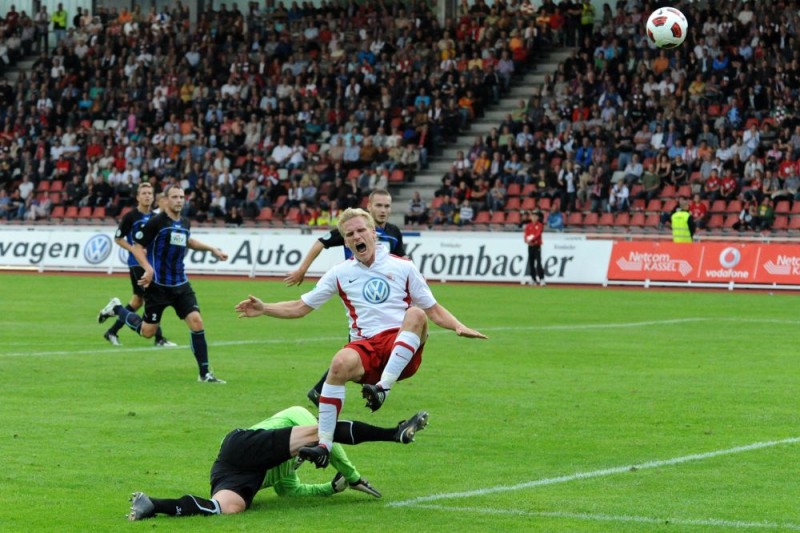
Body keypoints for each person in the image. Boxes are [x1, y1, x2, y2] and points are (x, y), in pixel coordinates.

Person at [236, 208, 486, 468]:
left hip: (401, 346)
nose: (356, 237)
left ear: (373, 233)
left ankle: (382, 389)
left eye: (361, 230)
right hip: (366, 348)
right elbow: (301, 307)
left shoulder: (403, 267)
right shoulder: (340, 273)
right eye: (350, 234)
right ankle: (323, 445)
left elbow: (433, 310)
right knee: (339, 362)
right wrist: (265, 308)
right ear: (346, 242)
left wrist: (458, 326)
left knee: (416, 313)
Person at [128, 405, 429, 520]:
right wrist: (351, 476)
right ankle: (394, 433)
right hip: (241, 447)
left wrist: (331, 488)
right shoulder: (296, 415)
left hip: (239, 474)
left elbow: (291, 491)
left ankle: (152, 505)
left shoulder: (290, 467)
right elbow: (324, 433)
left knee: (227, 508)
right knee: (324, 430)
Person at [284, 189, 406, 405]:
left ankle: (328, 390)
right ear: (369, 207)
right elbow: (321, 242)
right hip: (357, 295)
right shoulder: (354, 228)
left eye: (387, 206)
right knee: (361, 349)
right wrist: (302, 269)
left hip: (381, 296)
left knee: (367, 350)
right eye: (379, 205)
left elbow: (401, 259)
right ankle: (345, 390)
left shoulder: (394, 232)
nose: (383, 210)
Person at [98, 184, 228, 383]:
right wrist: (148, 269)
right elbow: (137, 246)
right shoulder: (156, 222)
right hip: (158, 286)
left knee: (197, 322)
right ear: (166, 200)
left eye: (181, 197)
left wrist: (212, 249)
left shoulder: (185, 222)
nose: (179, 200)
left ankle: (205, 374)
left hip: (181, 284)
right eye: (174, 197)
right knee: (147, 332)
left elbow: (189, 241)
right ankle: (117, 309)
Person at [99, 183, 176, 348]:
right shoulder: (131, 216)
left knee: (137, 301)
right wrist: (134, 249)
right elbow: (118, 238)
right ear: (138, 197)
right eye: (144, 193)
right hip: (137, 264)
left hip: (151, 264)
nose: (147, 196)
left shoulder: (156, 217)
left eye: (150, 193)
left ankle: (112, 330)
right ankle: (159, 338)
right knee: (154, 298)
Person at [524, 210, 546, 285]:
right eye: (532, 216)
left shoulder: (540, 225)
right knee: (531, 263)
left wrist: (531, 240)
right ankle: (533, 279)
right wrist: (527, 241)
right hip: (530, 246)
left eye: (535, 216)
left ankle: (541, 279)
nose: (533, 217)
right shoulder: (528, 225)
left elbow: (538, 234)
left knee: (539, 263)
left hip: (537, 246)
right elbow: (526, 234)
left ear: (537, 217)